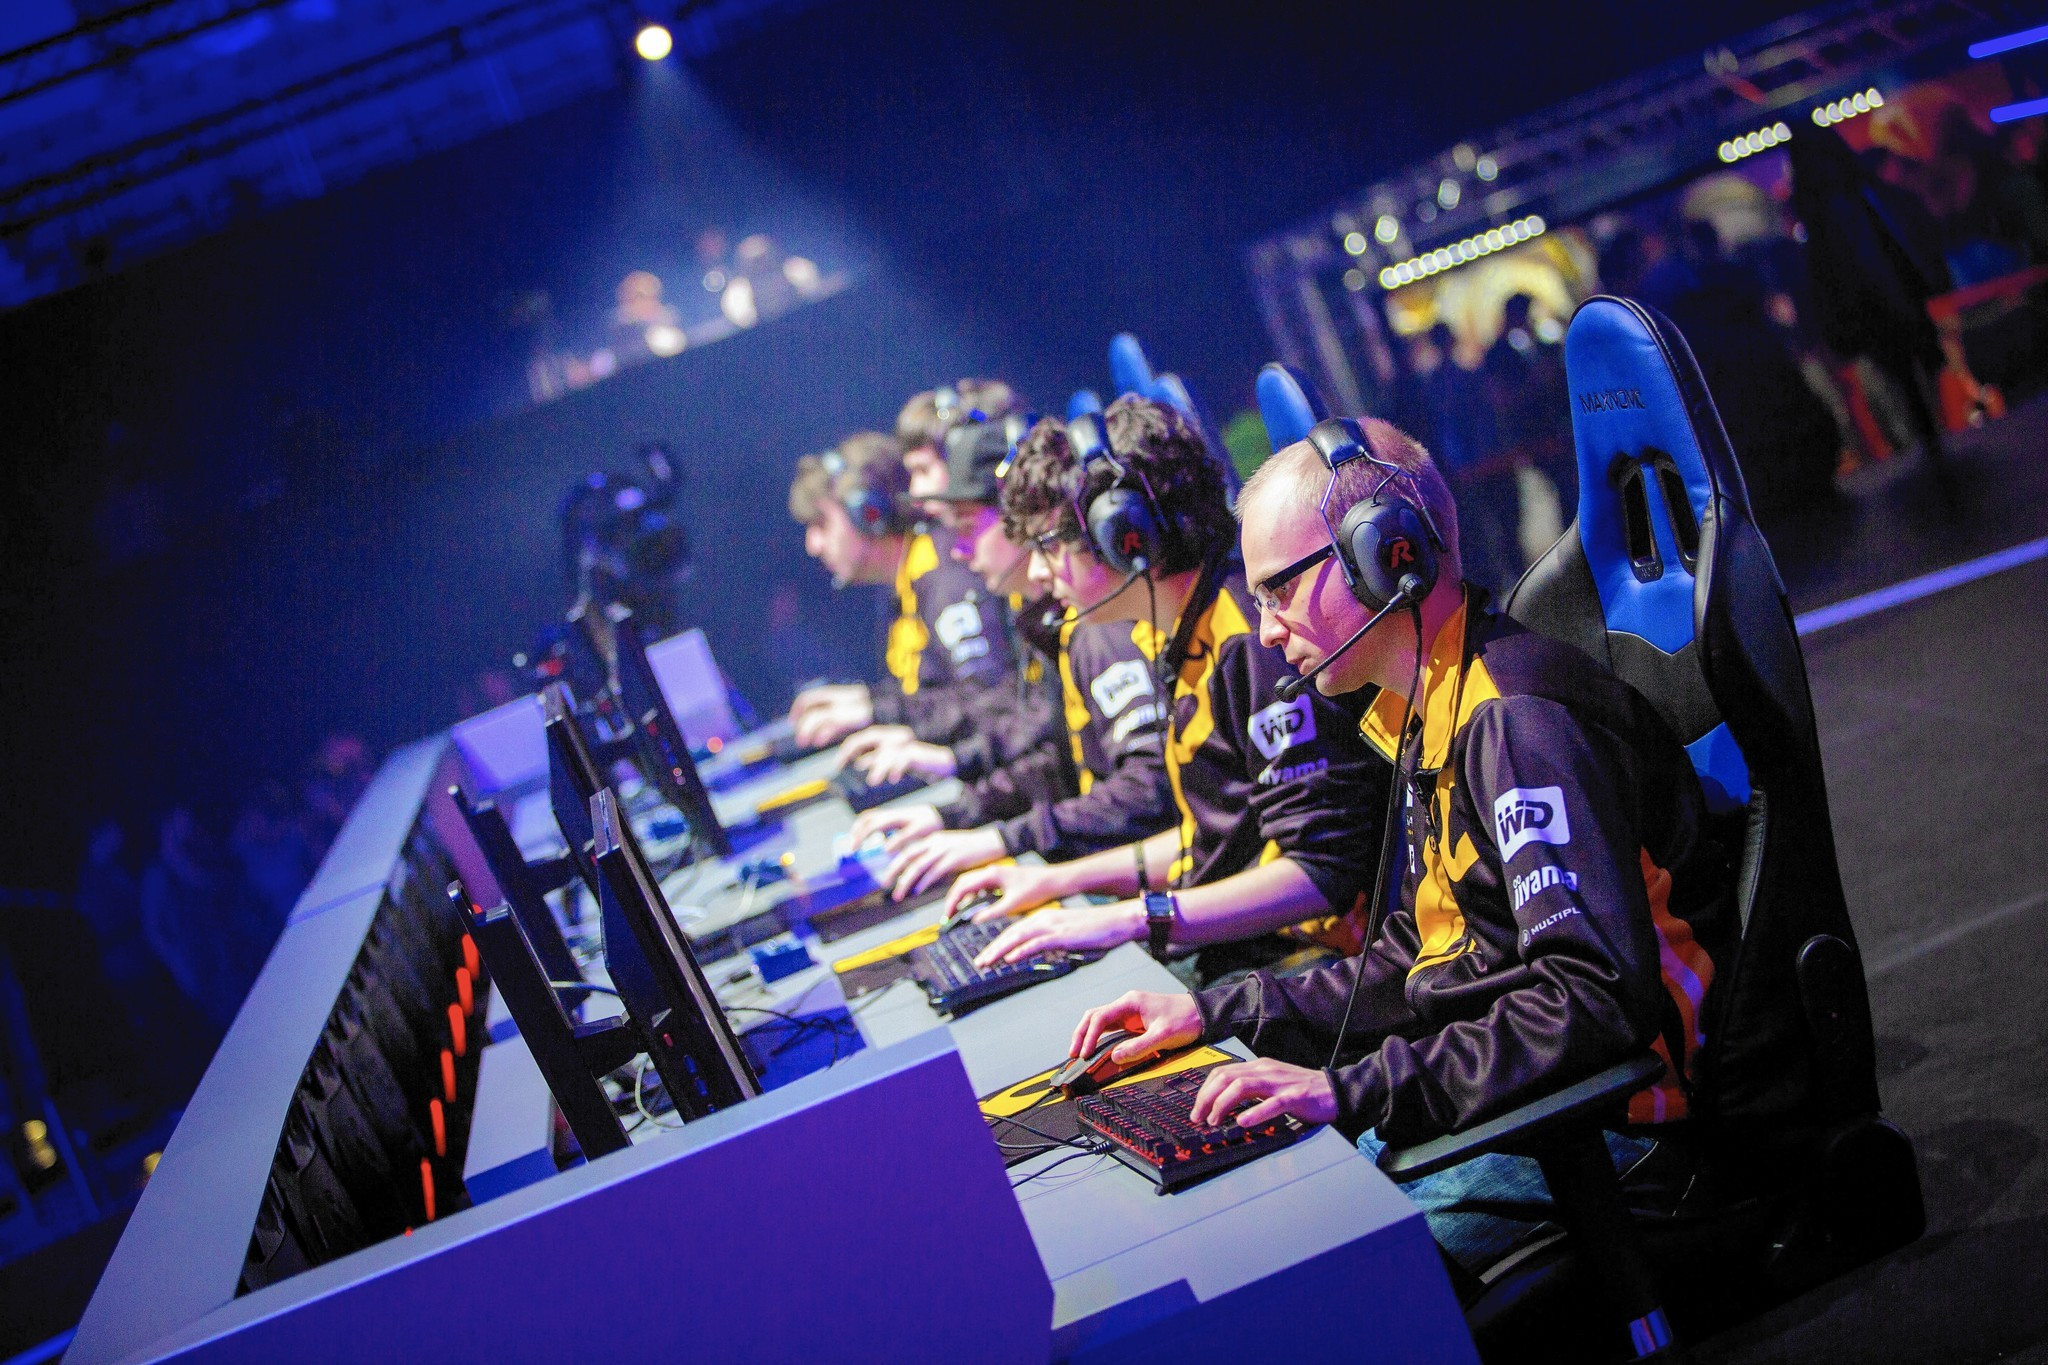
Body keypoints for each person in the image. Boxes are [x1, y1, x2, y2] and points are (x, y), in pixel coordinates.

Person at [1067, 416, 1733, 1277]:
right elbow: (1418, 959)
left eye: (1277, 591)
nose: (1264, 629)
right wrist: (1215, 1014)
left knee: (1326, 1274)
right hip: (1525, 1094)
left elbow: (1592, 1000)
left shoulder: (1513, 723)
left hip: (1619, 1127)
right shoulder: (1427, 709)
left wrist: (1352, 1088)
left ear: (1388, 556)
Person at [948, 397, 1390, 987]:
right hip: (1247, 948)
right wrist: (1056, 880)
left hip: (1312, 965)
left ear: (1125, 534)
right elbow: (1215, 840)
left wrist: (1135, 919)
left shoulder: (1252, 644)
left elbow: (1321, 871)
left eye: (1050, 545)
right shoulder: (1181, 631)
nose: (1036, 573)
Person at [848, 416, 1175, 897]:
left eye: (966, 528)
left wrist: (1007, 837)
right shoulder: (1052, 619)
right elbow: (1057, 758)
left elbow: (1149, 791)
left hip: (1144, 885)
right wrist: (959, 815)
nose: (957, 552)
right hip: (1115, 869)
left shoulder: (1100, 629)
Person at [784, 430, 1013, 746]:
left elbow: (988, 702)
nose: (813, 545)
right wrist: (866, 699)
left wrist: (876, 710)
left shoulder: (945, 580)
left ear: (868, 513)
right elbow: (932, 691)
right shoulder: (905, 584)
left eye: (821, 524)